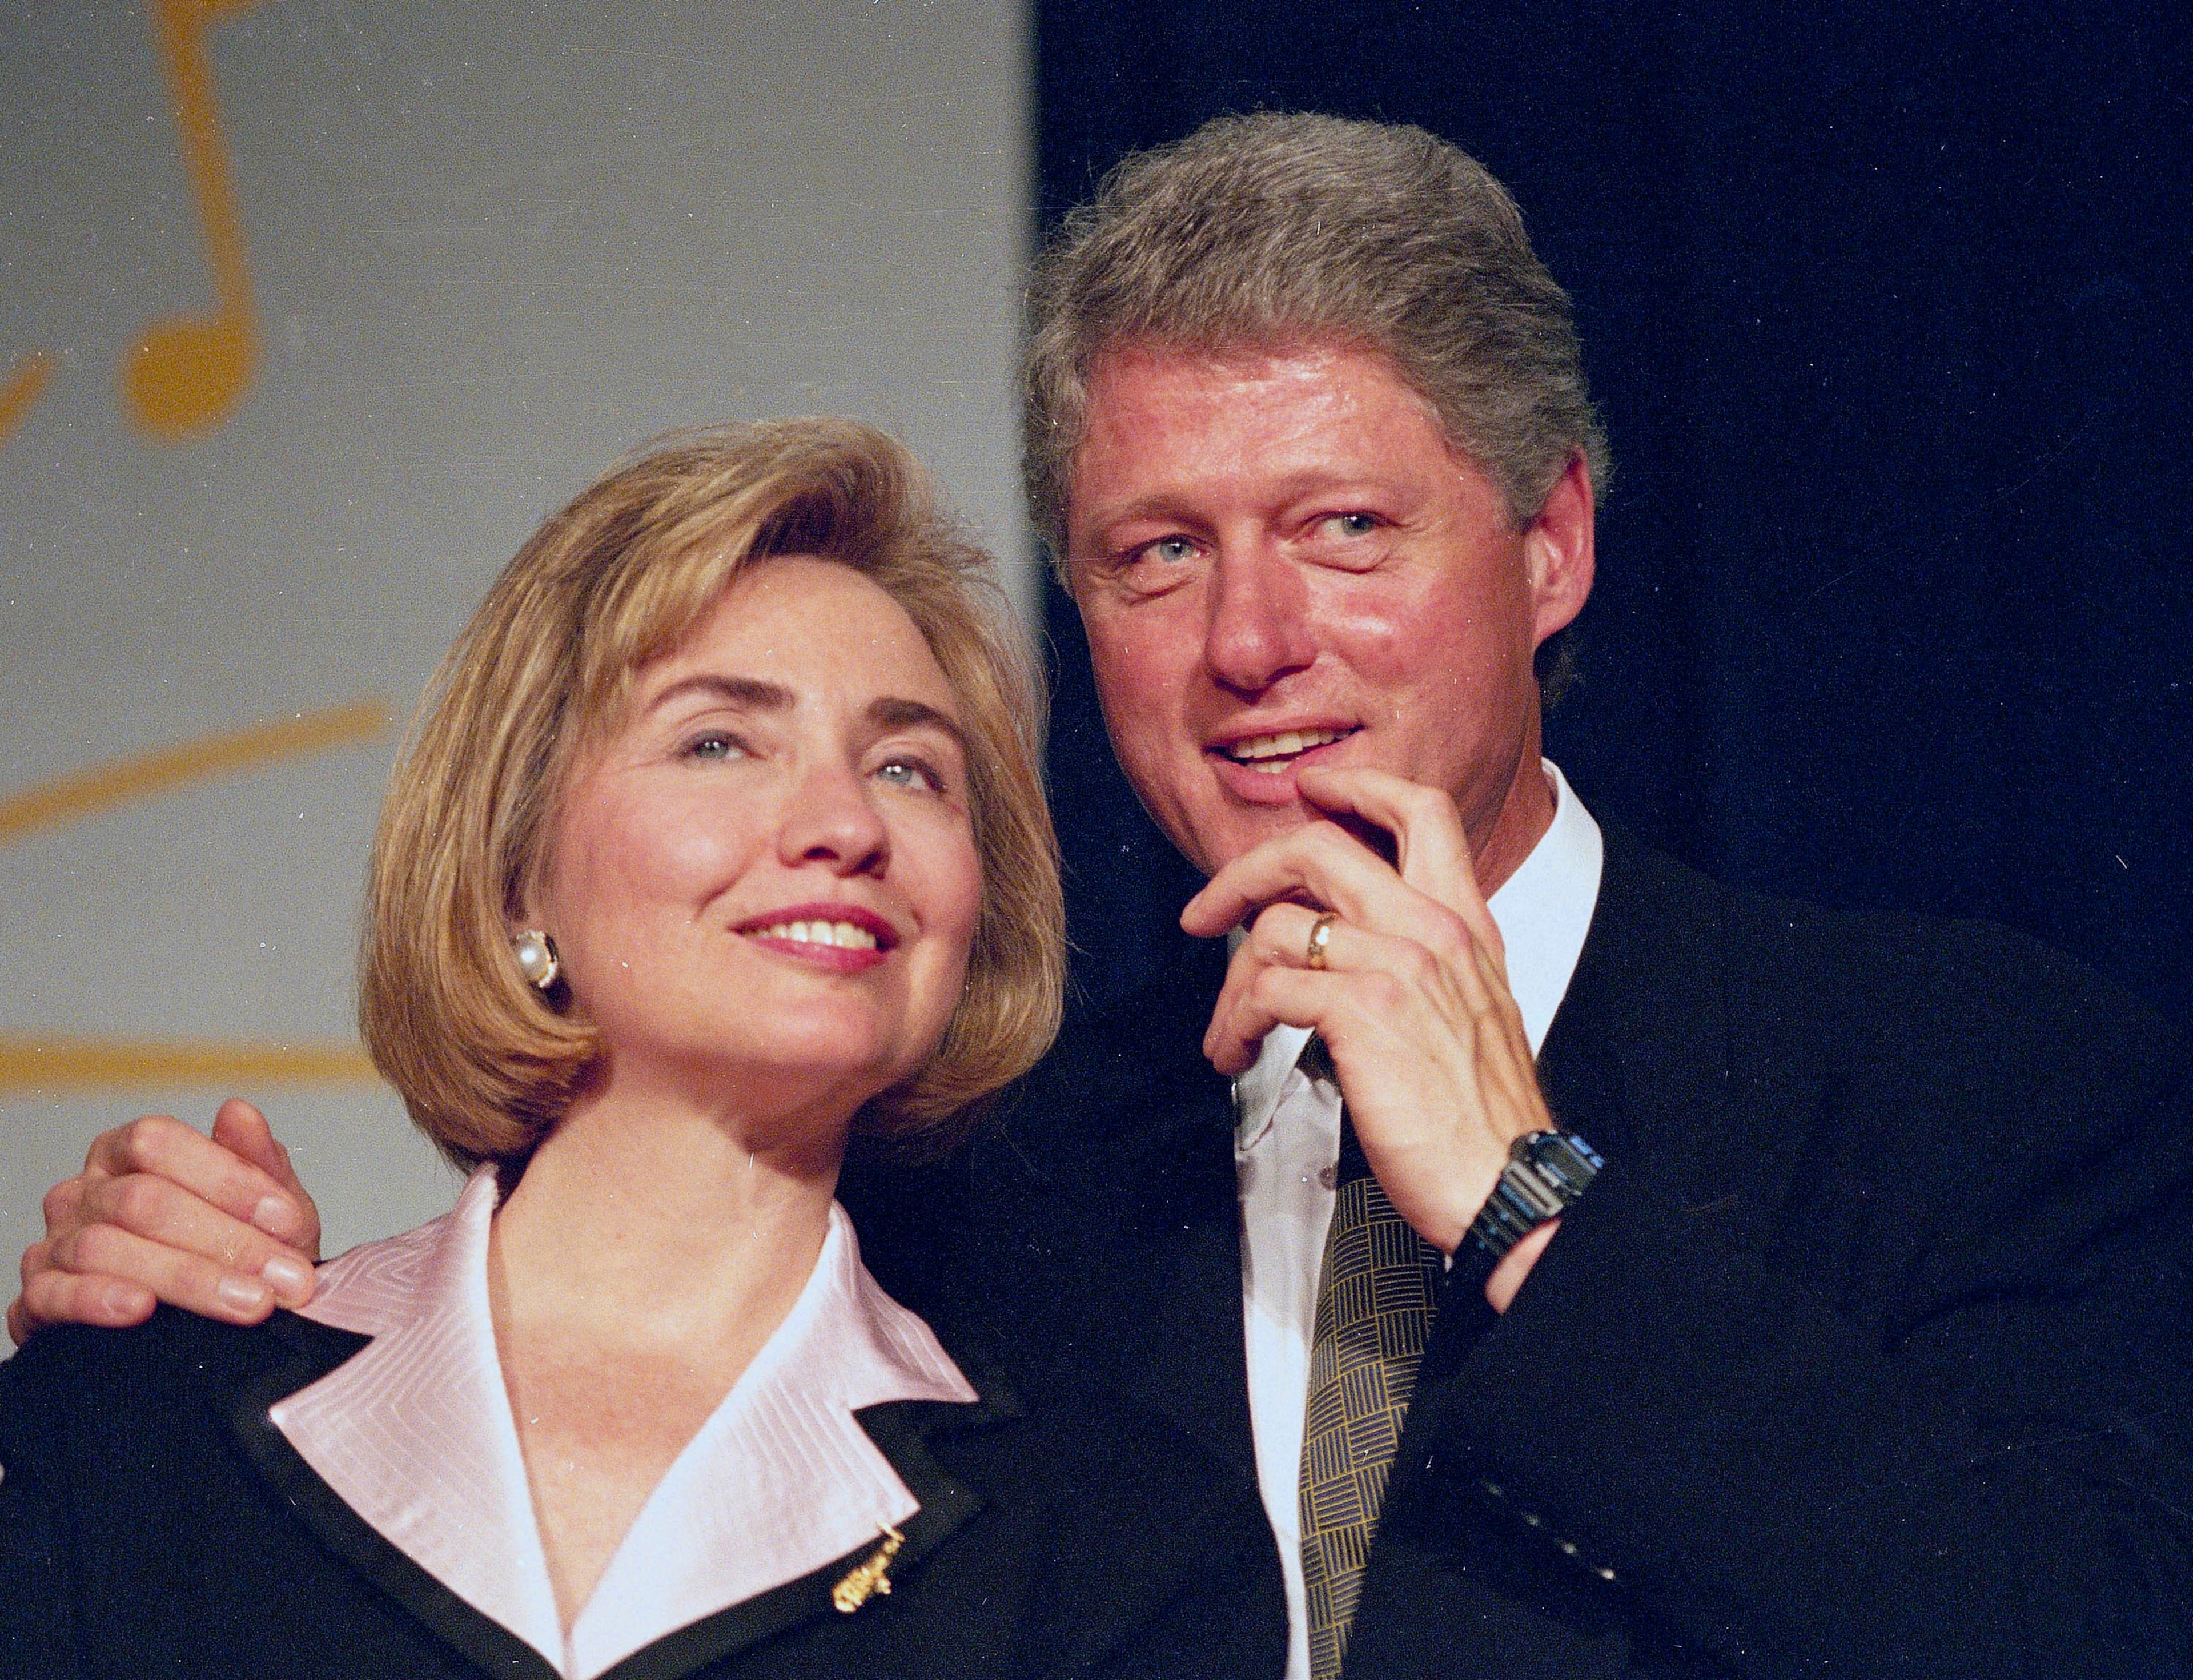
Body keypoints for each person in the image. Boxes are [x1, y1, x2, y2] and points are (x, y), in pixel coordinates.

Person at [17, 113, 2193, 1678]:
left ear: (1553, 553)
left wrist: (1532, 1205)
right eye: (1159, 554)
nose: (1252, 641)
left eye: (1345, 528)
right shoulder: (973, 1162)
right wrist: (170, 1286)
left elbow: (2081, 1628)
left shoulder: (1964, 1071)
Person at [0, 419, 1285, 1679]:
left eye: (908, 768)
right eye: (719, 741)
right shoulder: (122, 1420)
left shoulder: (1121, 1545)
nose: (843, 822)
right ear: (518, 875)